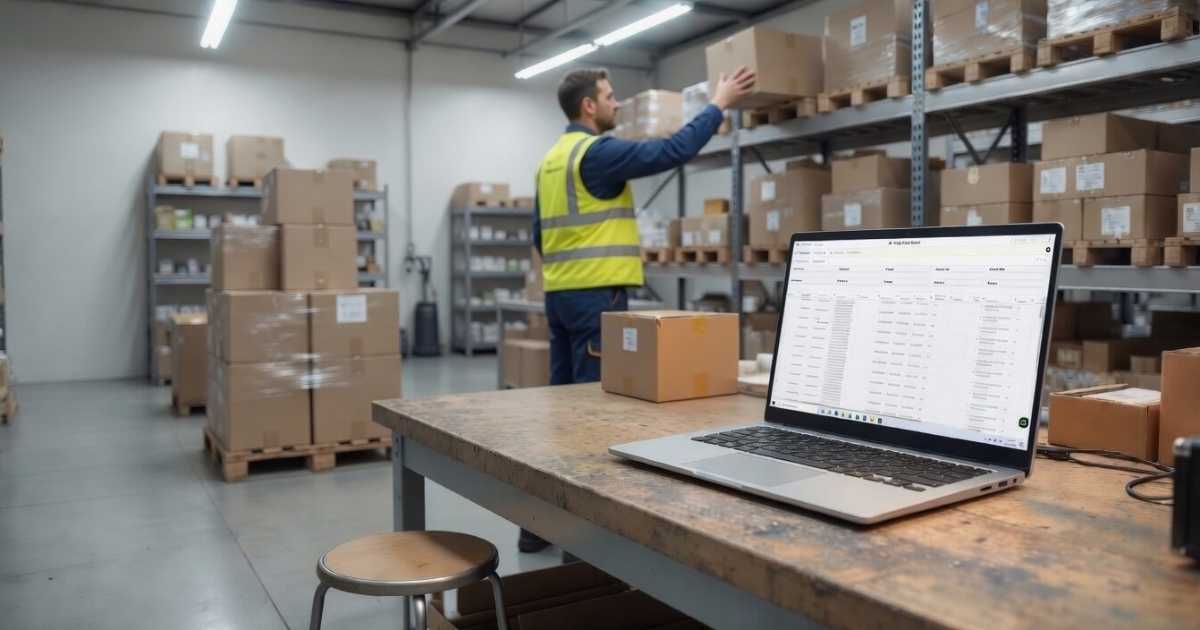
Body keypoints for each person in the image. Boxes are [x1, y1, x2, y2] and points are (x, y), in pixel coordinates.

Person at [519, 66, 757, 553]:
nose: (616, 103)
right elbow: (670, 152)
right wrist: (719, 104)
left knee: (561, 412)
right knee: (590, 416)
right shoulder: (597, 153)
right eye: (608, 97)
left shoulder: (550, 160)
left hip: (560, 297)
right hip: (596, 298)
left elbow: (537, 235)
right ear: (588, 106)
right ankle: (581, 538)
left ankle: (535, 527)